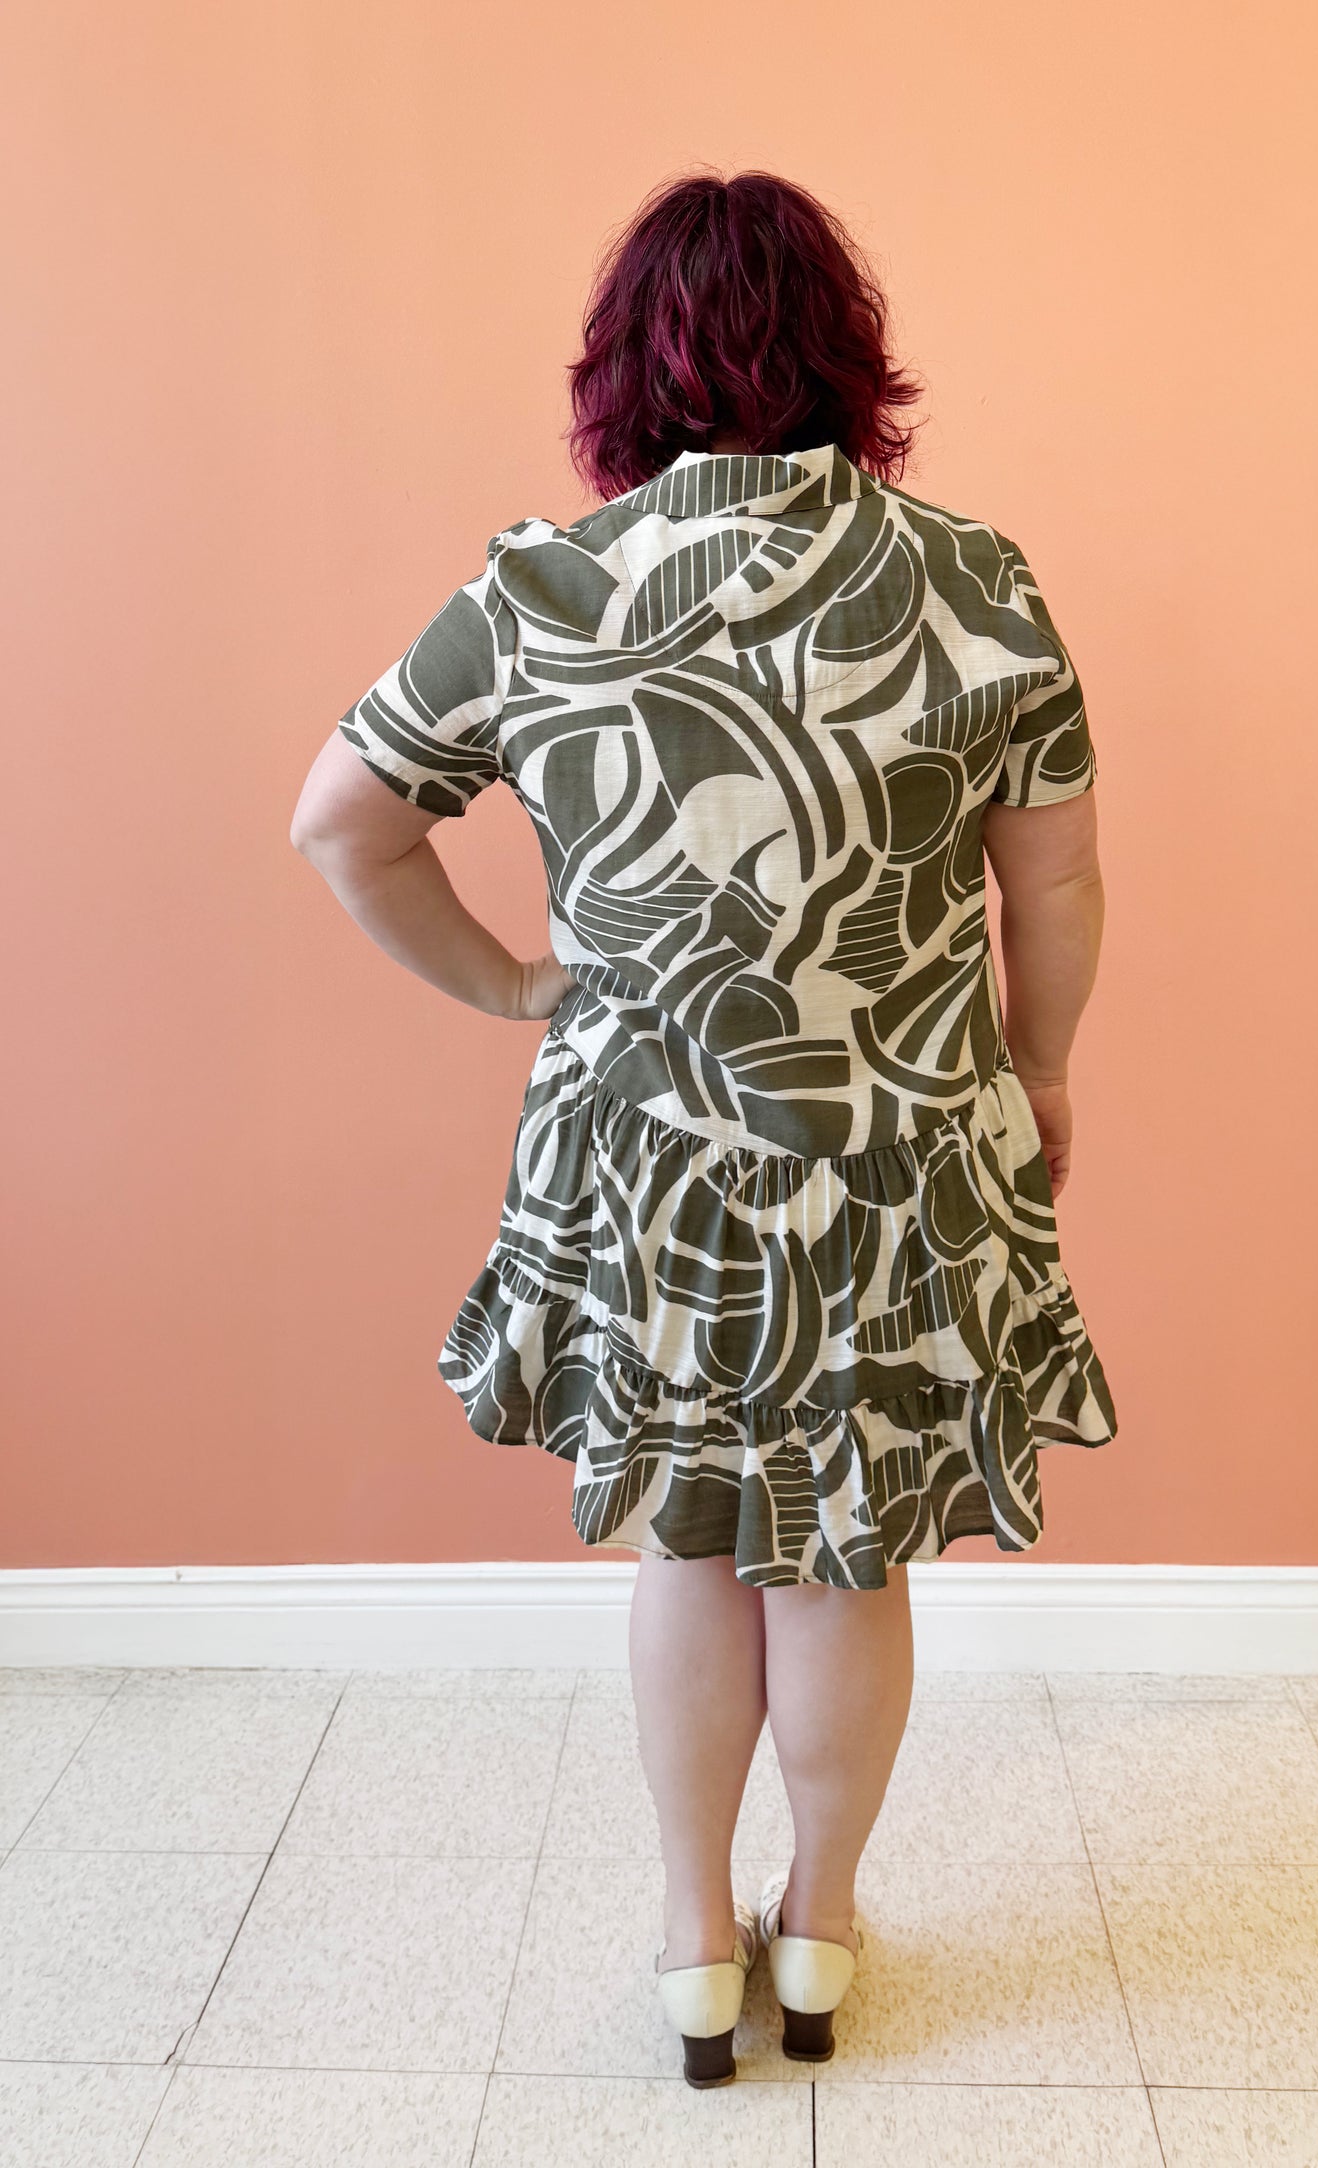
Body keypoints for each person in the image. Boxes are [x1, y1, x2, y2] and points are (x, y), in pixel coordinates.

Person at [290, 168, 1117, 2087]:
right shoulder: (971, 579)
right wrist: (1041, 1060)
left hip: (650, 1161)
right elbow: (1053, 888)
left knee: (692, 1544)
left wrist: (516, 990)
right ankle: (814, 1935)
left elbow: (344, 818)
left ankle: (689, 1942)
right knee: (843, 1554)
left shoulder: (542, 592)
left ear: (622, 371)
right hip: (899, 1147)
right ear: (850, 354)